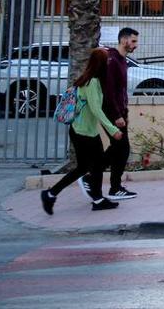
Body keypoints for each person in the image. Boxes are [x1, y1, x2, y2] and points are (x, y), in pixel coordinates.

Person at [40, 47, 123, 214]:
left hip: (80, 130)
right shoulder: (92, 82)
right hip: (85, 133)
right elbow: (95, 109)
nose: (109, 63)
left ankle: (50, 193)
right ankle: (98, 199)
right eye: (107, 60)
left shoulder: (86, 78)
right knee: (97, 165)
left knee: (84, 167)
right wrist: (112, 129)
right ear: (101, 64)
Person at [101, 26, 138, 201]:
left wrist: (124, 112)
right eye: (133, 41)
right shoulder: (112, 60)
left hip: (121, 112)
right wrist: (116, 115)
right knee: (122, 149)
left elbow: (121, 90)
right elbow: (109, 91)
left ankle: (109, 184)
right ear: (124, 40)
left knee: (118, 148)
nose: (135, 45)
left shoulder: (122, 60)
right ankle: (112, 187)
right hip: (112, 113)